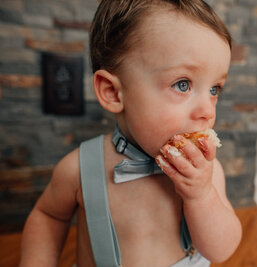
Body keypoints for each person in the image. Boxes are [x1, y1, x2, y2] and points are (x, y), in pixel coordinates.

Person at [19, 0, 242, 266]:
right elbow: (48, 217)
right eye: (182, 84)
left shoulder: (208, 173)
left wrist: (201, 196)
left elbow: (221, 250)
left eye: (215, 89)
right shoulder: (80, 169)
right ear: (113, 92)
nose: (207, 110)